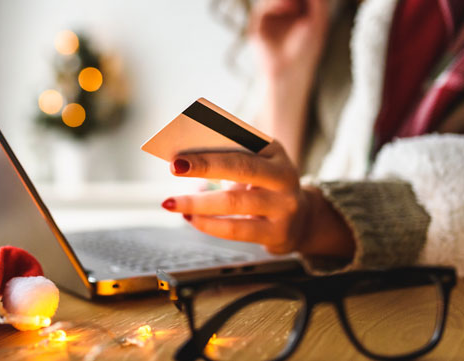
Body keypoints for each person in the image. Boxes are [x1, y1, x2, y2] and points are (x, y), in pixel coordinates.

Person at [161, 0, 464, 274]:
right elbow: (272, 207)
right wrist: (281, 76)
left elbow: (450, 197)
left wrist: (312, 221)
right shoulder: (324, 19)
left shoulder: (436, 18)